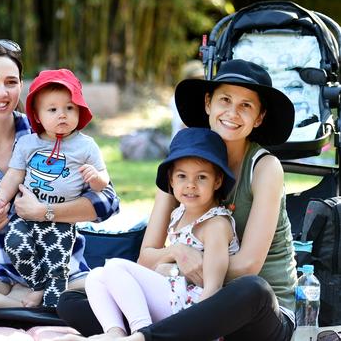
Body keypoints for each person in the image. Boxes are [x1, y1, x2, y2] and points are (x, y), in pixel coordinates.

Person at [56, 59, 297, 341]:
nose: (232, 112)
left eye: (246, 105)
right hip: (186, 297)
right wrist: (178, 253)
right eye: (225, 100)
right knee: (72, 301)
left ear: (258, 117)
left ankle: (145, 337)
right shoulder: (183, 159)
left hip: (249, 310)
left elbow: (246, 267)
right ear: (208, 103)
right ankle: (149, 333)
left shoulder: (265, 167)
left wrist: (173, 267)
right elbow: (147, 256)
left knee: (253, 290)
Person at [0, 39, 120, 311]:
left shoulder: (52, 131)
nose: (2, 92)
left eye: (11, 82)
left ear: (21, 87)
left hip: (61, 272)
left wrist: (44, 211)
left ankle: (21, 306)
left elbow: (108, 202)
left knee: (114, 293)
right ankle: (29, 306)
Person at [84, 127, 239, 338]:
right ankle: (115, 333)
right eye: (182, 176)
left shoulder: (215, 225)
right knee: (96, 276)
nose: (191, 185)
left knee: (115, 266)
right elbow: (147, 263)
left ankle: (143, 333)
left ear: (217, 181)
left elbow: (213, 287)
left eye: (201, 177)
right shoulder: (179, 214)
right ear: (171, 180)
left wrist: (198, 331)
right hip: (173, 296)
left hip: (190, 312)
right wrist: (173, 255)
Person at [0, 68, 110, 307]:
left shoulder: (85, 146)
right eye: (52, 109)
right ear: (38, 116)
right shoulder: (28, 143)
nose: (62, 115)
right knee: (15, 243)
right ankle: (38, 285)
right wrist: (0, 199)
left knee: (57, 261)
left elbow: (103, 182)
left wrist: (95, 178)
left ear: (80, 110)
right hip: (26, 218)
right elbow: (14, 175)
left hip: (62, 219)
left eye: (69, 108)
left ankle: (53, 306)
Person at [169, 60, 204, 139]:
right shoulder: (178, 98)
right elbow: (184, 125)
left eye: (202, 78)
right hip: (182, 144)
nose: (201, 82)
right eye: (197, 79)